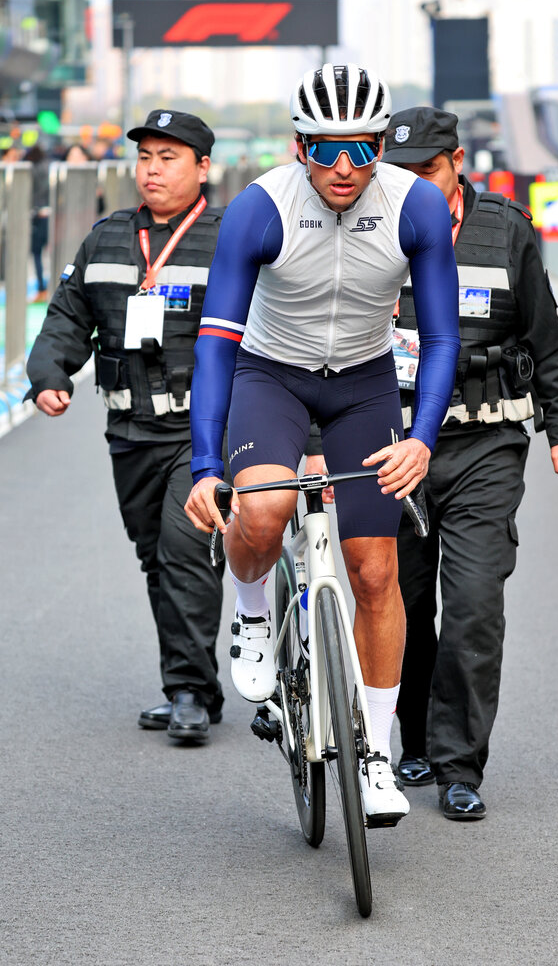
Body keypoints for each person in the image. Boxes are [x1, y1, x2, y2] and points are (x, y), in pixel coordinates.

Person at [184, 64, 460, 824]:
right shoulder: (259, 209)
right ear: (299, 146)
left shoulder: (418, 206)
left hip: (364, 384)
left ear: (381, 148)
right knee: (265, 509)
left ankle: (373, 755)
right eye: (327, 150)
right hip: (269, 375)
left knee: (376, 571)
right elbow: (214, 342)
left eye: (363, 150)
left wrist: (423, 440)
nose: (345, 170)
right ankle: (246, 608)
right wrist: (208, 466)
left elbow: (439, 336)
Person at [381, 106, 558, 820]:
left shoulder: (503, 230)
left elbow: (547, 339)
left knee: (472, 606)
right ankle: (408, 738)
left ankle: (456, 762)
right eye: (398, 174)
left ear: (457, 162)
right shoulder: (367, 233)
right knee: (400, 604)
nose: (411, 187)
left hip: (484, 444)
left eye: (426, 172)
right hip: (390, 444)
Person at [25, 110, 227, 744]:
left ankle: (190, 690)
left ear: (202, 168)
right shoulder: (108, 238)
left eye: (169, 157)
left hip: (202, 431)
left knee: (185, 551)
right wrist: (50, 373)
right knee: (156, 562)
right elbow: (67, 317)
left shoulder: (229, 240)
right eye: (146, 157)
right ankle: (193, 682)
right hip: (129, 429)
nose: (153, 169)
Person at [25, 143, 51, 303]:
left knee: (36, 253)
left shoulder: (32, 170)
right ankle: (48, 287)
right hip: (50, 213)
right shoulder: (50, 168)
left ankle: (42, 288)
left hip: (37, 215)